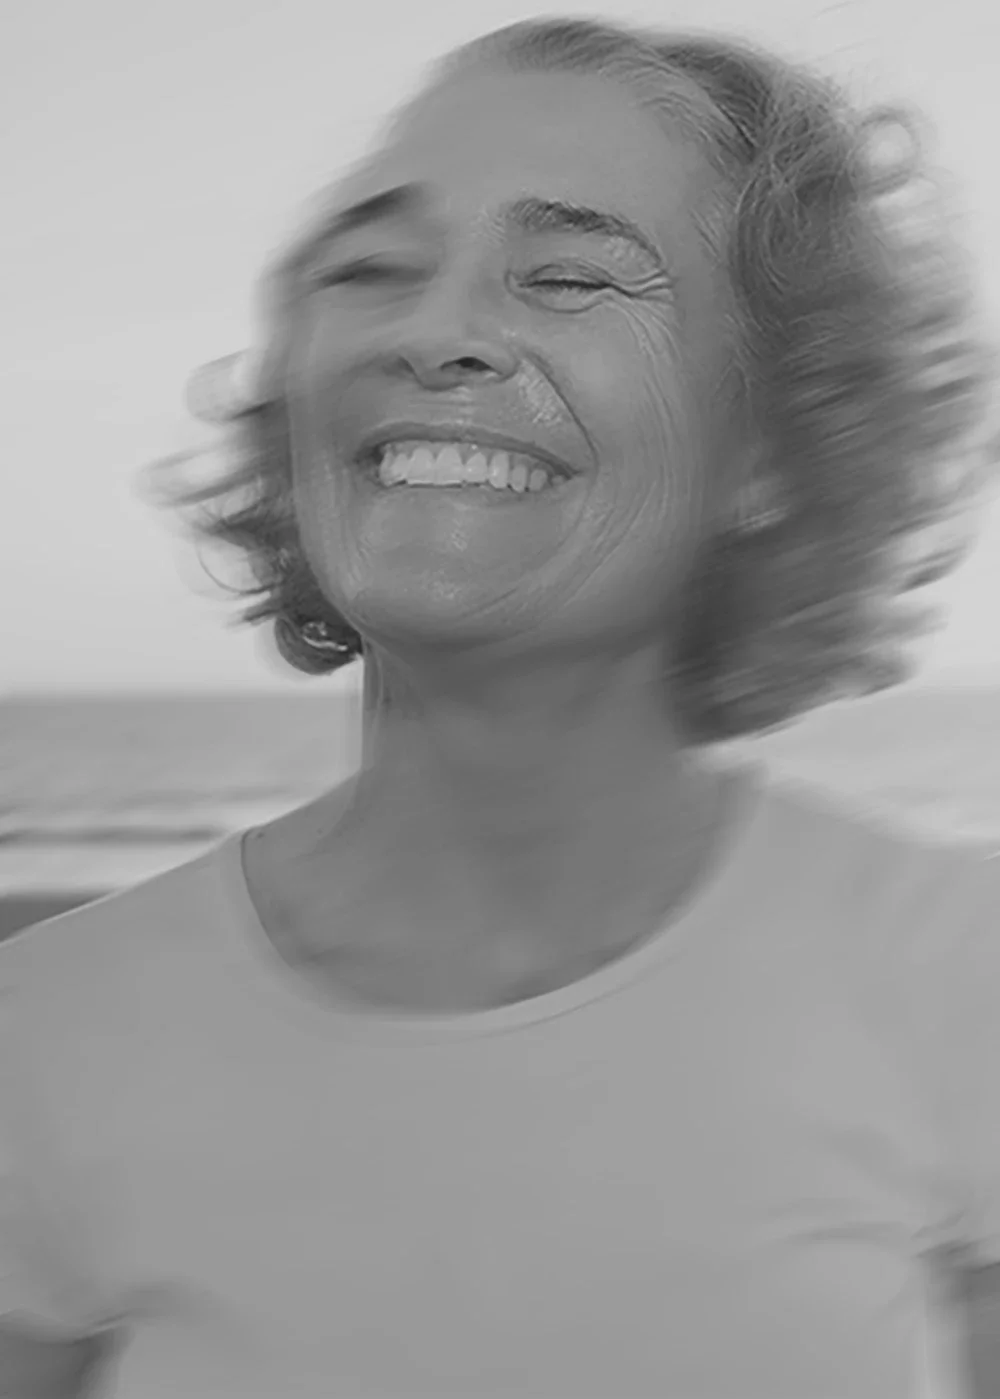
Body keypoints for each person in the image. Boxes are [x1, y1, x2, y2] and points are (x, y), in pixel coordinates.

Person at [2, 15, 999, 1398]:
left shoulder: (959, 976)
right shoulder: (45, 1037)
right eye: (371, 267)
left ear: (770, 445)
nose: (437, 329)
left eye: (574, 275)